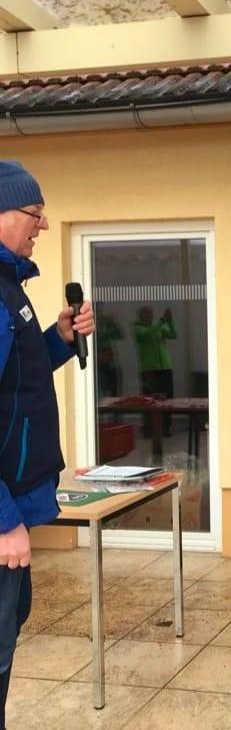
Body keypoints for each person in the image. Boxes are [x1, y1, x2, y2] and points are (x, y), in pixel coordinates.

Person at [0, 160, 95, 727]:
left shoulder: (11, 287)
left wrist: (58, 338)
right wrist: (4, 521)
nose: (43, 225)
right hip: (3, 513)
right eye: (34, 214)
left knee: (10, 632)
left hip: (17, 503)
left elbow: (17, 378)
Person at [132, 305, 176, 435]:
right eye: (146, 313)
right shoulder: (137, 328)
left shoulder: (158, 326)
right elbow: (148, 333)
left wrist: (170, 321)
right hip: (149, 370)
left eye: (151, 313)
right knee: (149, 400)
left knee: (167, 399)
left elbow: (173, 335)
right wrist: (162, 321)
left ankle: (166, 427)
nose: (150, 315)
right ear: (140, 315)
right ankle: (149, 428)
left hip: (165, 367)